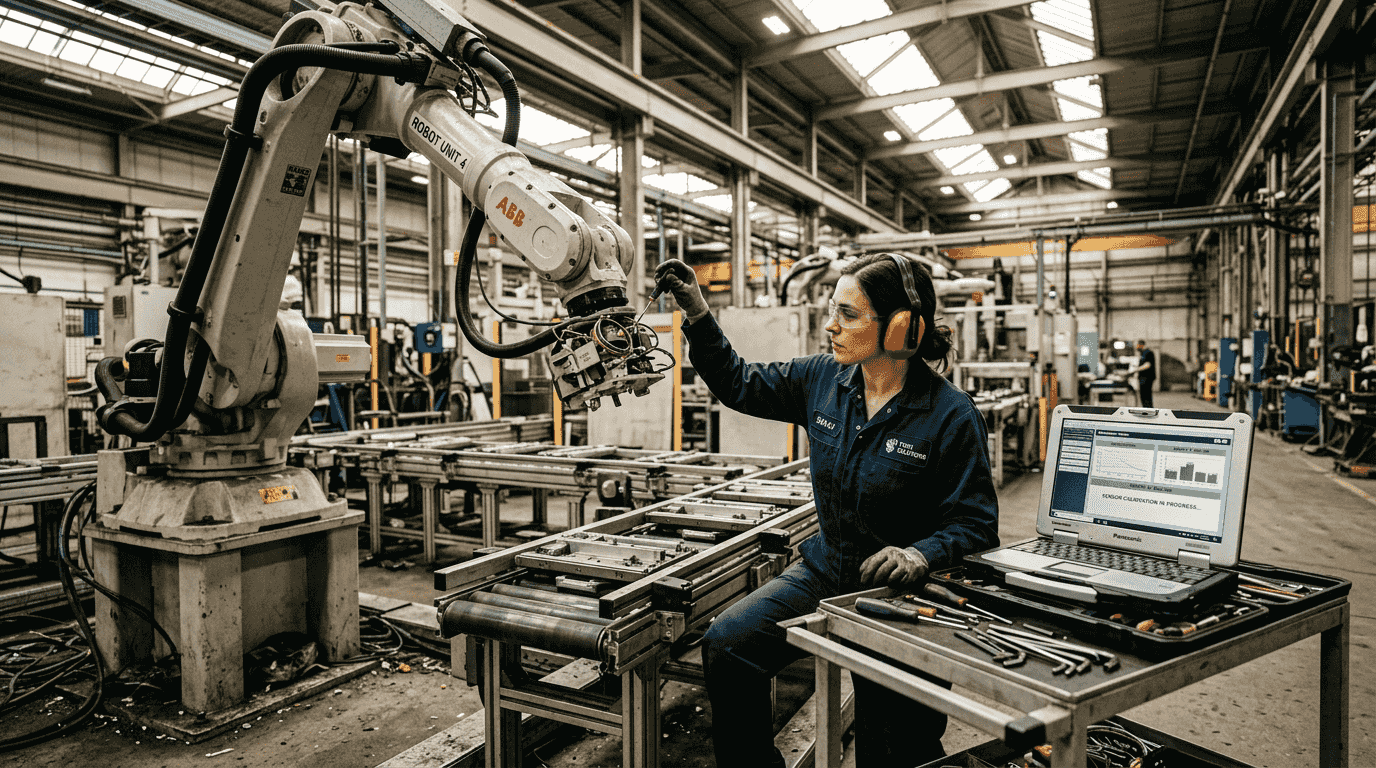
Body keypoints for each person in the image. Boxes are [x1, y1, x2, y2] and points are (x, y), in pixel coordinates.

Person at [653, 253, 1000, 768]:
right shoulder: (822, 380)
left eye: (848, 314)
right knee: (729, 647)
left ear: (902, 327)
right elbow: (739, 383)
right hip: (828, 568)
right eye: (831, 311)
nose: (831, 327)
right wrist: (699, 315)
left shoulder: (950, 414)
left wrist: (920, 554)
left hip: (897, 595)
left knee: (893, 745)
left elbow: (976, 526)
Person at [1130, 339, 1156, 407]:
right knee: (1143, 396)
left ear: (1141, 345)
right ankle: (1146, 409)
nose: (1136, 347)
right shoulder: (1143, 353)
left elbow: (1147, 365)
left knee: (1146, 396)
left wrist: (1136, 369)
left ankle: (1148, 409)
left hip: (1147, 377)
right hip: (1143, 377)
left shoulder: (1148, 352)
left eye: (1137, 345)